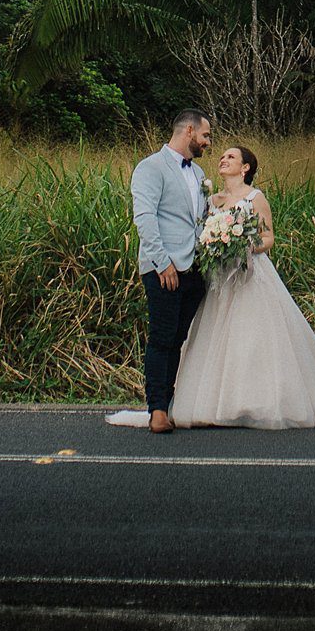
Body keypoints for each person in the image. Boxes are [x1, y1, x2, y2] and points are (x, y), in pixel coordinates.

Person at [163, 142, 315, 430]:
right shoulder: (212, 201)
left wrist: (241, 245)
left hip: (249, 275)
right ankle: (215, 404)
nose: (223, 159)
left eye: (231, 157)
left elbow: (269, 237)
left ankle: (255, 403)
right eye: (222, 156)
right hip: (219, 280)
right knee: (217, 338)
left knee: (252, 340)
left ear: (245, 167)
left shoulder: (255, 197)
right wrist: (215, 245)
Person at [126, 108, 213, 435]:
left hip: (195, 270)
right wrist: (163, 263)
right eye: (205, 135)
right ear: (188, 131)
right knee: (162, 338)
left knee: (179, 340)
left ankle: (171, 401)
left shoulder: (198, 172)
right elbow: (145, 219)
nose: (207, 142)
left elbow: (202, 219)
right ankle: (157, 410)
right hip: (164, 268)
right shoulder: (150, 168)